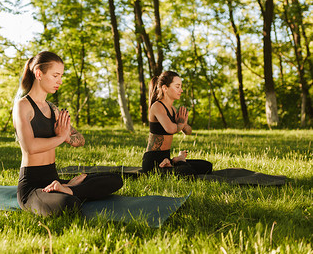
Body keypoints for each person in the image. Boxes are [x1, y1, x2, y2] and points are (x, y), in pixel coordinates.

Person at [13, 51, 123, 216]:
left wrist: (69, 139)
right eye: (55, 75)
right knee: (69, 205)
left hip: (54, 179)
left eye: (61, 76)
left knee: (115, 180)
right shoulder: (23, 106)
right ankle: (69, 192)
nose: (60, 81)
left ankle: (67, 188)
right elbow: (31, 147)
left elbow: (80, 139)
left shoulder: (53, 109)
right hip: (33, 187)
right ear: (38, 74)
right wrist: (61, 137)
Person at [142, 71, 212, 177]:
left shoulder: (173, 110)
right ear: (165, 88)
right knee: (187, 173)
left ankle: (177, 161)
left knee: (206, 166)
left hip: (166, 158)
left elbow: (188, 131)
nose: (181, 90)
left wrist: (183, 123)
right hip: (153, 162)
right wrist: (180, 124)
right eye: (177, 86)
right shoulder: (157, 106)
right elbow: (170, 128)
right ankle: (179, 161)